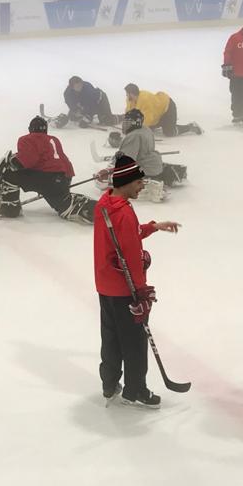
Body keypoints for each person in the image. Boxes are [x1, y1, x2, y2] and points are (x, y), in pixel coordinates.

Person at [93, 155, 181, 408]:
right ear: (127, 182)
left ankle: (109, 383)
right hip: (125, 290)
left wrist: (154, 226)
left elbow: (123, 238)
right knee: (134, 342)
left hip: (105, 287)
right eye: (139, 181)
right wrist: (142, 294)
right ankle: (136, 390)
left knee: (110, 338)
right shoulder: (123, 214)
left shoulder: (105, 205)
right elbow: (131, 257)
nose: (142, 186)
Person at [0, 116, 95, 224]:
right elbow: (65, 164)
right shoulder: (54, 140)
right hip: (62, 178)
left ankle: (10, 208)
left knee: (8, 174)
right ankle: (94, 208)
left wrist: (14, 163)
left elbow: (29, 159)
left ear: (30, 129)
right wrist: (63, 186)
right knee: (64, 204)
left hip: (46, 178)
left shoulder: (27, 139)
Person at [100, 109, 187, 202]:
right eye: (124, 121)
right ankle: (165, 175)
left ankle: (150, 187)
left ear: (135, 123)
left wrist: (112, 170)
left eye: (127, 122)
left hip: (145, 169)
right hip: (154, 163)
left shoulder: (133, 136)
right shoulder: (145, 129)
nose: (124, 124)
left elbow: (126, 160)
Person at [123, 83, 202, 137]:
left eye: (127, 93)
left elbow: (148, 120)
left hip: (167, 107)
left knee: (169, 132)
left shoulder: (145, 100)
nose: (126, 95)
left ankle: (190, 127)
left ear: (132, 94)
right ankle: (165, 123)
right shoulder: (130, 99)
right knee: (145, 128)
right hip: (157, 112)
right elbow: (129, 112)